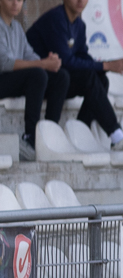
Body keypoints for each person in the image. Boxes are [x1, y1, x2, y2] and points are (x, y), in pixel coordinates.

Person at [26, 0, 123, 151]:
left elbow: (82, 56)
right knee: (88, 77)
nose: (80, 1)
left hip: (59, 81)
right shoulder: (55, 19)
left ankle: (80, 132)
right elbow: (66, 62)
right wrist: (106, 65)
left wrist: (103, 67)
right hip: (36, 82)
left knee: (101, 80)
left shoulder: (79, 25)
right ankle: (117, 136)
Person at [0, 0, 68, 161]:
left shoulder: (16, 28)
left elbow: (30, 56)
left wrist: (49, 61)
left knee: (61, 77)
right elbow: (4, 63)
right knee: (37, 75)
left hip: (13, 79)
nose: (16, 3)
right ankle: (30, 138)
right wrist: (42, 64)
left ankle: (49, 133)